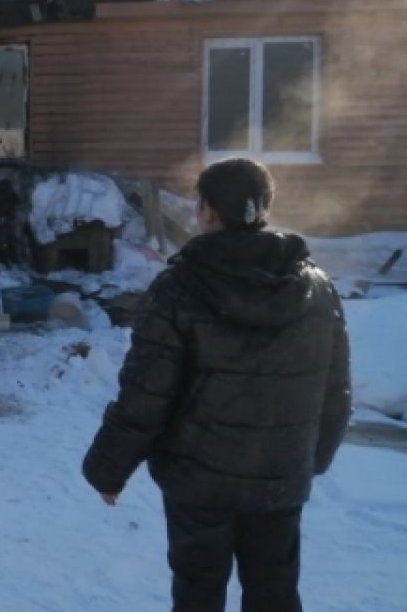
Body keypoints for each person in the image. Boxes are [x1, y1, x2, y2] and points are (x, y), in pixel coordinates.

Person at [82, 157, 352, 612]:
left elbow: (147, 393)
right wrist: (308, 460)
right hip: (278, 479)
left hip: (198, 482)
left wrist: (108, 469)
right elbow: (336, 391)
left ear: (207, 211)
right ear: (264, 206)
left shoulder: (178, 288)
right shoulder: (316, 288)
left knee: (198, 592)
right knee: (275, 591)